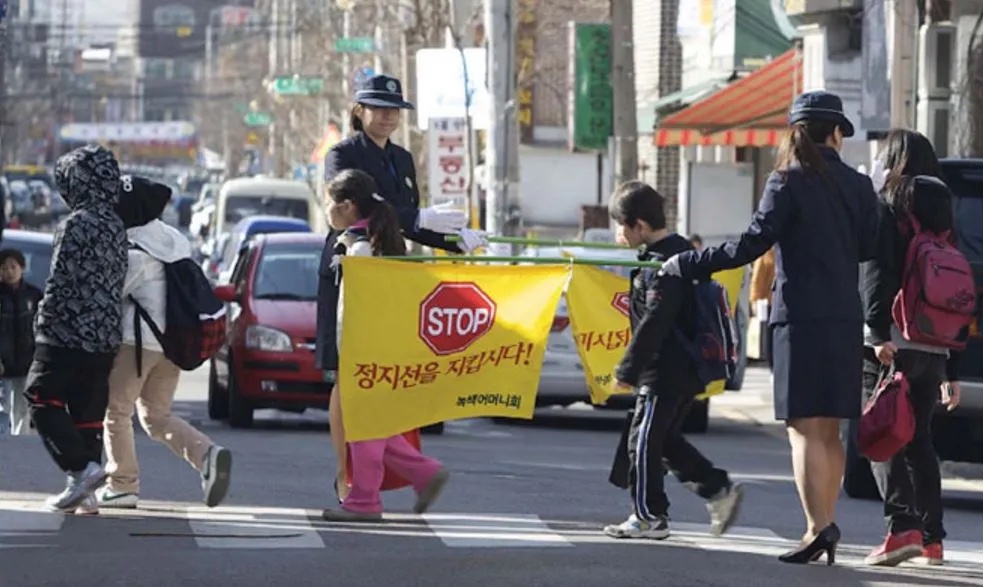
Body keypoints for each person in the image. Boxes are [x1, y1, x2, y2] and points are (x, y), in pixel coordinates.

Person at [660, 91, 880, 564]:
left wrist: (688, 262)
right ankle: (826, 523)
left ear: (795, 133)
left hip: (799, 318)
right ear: (836, 133)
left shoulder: (786, 181)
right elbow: (868, 247)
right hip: (844, 317)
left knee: (803, 429)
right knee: (831, 429)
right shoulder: (860, 187)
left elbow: (748, 246)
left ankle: (816, 527)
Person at [318, 74, 483, 502]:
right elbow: (350, 210)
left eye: (395, 110)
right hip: (352, 267)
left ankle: (394, 474)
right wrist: (417, 218)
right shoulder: (342, 155)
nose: (388, 117)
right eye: (379, 108)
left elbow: (410, 220)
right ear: (360, 111)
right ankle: (347, 474)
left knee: (380, 379)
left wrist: (455, 240)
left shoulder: (404, 159)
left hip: (393, 268)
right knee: (346, 377)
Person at [602, 181, 744, 540]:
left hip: (665, 370)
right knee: (663, 442)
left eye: (623, 225)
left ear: (640, 226)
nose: (620, 233)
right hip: (683, 368)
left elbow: (655, 322)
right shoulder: (677, 254)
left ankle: (649, 516)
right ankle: (717, 489)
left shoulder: (666, 267)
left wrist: (628, 371)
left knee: (644, 441)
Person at [319, 168, 450, 522]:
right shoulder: (372, 243)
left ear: (347, 206)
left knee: (363, 423)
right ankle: (420, 472)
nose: (326, 209)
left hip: (364, 346)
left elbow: (362, 306)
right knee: (371, 422)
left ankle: (366, 497)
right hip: (379, 345)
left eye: (330, 202)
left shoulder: (360, 249)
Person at [96, 176, 232, 512]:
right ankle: (206, 454)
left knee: (116, 411)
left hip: (136, 342)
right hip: (171, 342)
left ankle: (121, 484)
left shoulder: (133, 250)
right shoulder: (172, 239)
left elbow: (111, 293)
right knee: (156, 416)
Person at [861, 130, 960, 567]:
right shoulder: (944, 215)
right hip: (935, 345)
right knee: (919, 439)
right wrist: (953, 368)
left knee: (880, 436)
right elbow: (955, 293)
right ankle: (932, 538)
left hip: (894, 340)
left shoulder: (891, 205)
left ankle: (902, 527)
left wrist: (876, 331)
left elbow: (878, 272)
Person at [25, 145, 128, 513]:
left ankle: (80, 469)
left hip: (66, 331)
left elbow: (60, 280)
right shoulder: (116, 224)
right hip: (105, 336)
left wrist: (43, 321)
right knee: (87, 410)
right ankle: (83, 492)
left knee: (41, 397)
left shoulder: (76, 224)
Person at [0, 248, 43, 435]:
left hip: (27, 363)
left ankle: (18, 445)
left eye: (13, 266)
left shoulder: (33, 295)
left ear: (22, 268)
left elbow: (42, 329)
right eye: (4, 268)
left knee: (22, 409)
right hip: (3, 363)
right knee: (3, 408)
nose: (9, 272)